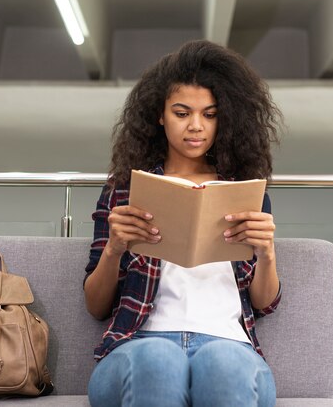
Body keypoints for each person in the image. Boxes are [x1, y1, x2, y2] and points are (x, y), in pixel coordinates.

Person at [83, 39, 283, 407]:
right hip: (139, 346)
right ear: (159, 114)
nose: (196, 126)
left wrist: (266, 255)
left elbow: (265, 303)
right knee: (160, 357)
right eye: (181, 113)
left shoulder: (244, 191)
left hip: (229, 345)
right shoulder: (125, 191)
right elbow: (96, 307)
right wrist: (114, 248)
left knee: (220, 361)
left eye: (210, 114)